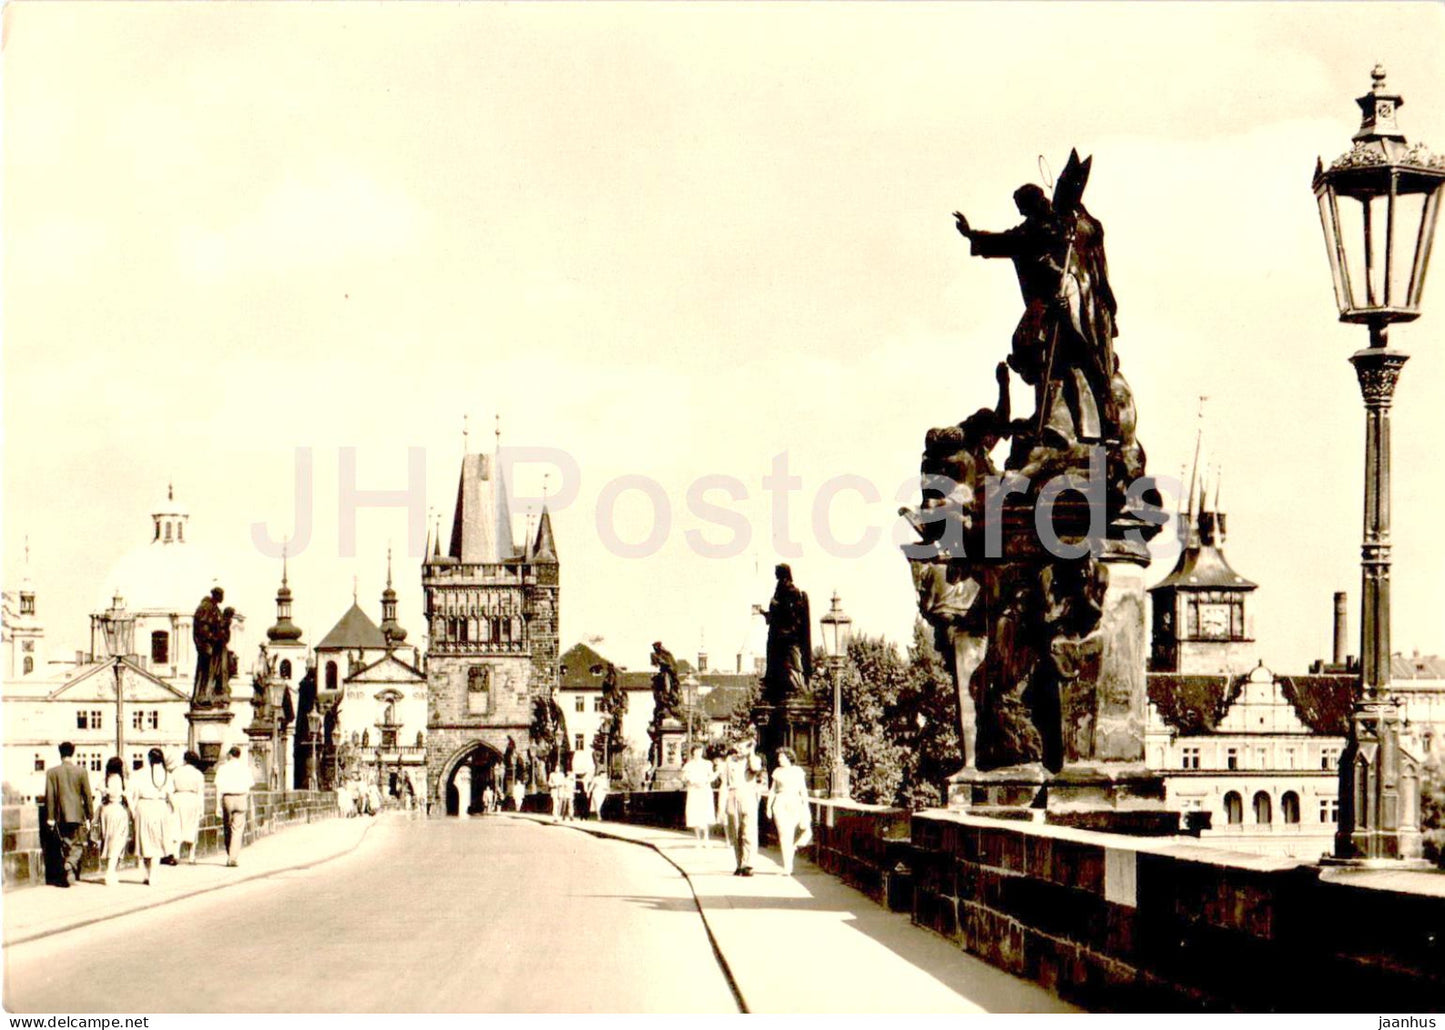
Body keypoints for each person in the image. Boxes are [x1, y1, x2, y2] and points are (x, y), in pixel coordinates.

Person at [44, 741, 94, 888]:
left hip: (60, 815)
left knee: (65, 844)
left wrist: (50, 817)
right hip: (77, 815)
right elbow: (87, 796)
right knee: (78, 844)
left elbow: (49, 796)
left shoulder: (52, 772)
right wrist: (90, 816)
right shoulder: (81, 771)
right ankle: (70, 864)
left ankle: (69, 872)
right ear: (73, 753)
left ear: (60, 753)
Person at [720, 736, 765, 876]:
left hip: (748, 795)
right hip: (733, 794)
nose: (738, 750)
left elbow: (755, 768)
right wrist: (720, 807)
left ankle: (748, 864)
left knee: (749, 830)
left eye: (742, 747)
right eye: (738, 747)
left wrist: (751, 752)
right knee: (735, 831)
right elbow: (724, 783)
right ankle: (739, 863)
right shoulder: (730, 761)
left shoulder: (754, 760)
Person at [129, 748, 173, 886]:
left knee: (145, 842)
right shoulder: (167, 775)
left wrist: (133, 811)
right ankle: (153, 874)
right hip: (160, 807)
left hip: (143, 807)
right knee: (157, 842)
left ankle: (147, 874)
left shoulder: (139, 774)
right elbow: (171, 796)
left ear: (149, 759)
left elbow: (130, 795)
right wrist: (172, 811)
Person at [766, 748, 812, 876]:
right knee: (784, 835)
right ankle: (787, 866)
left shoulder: (798, 771)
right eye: (779, 757)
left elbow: (803, 790)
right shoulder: (777, 772)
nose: (779, 759)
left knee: (800, 832)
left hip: (795, 802)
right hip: (780, 803)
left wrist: (806, 806)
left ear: (789, 758)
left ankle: (794, 848)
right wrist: (768, 807)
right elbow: (772, 790)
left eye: (782, 757)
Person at [214, 745, 253, 867]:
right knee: (237, 829)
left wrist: (217, 805)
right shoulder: (245, 768)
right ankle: (233, 857)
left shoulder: (223, 768)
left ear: (230, 755)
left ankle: (229, 853)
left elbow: (218, 787)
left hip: (227, 798)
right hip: (241, 797)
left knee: (227, 827)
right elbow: (249, 786)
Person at [97, 757, 130, 887]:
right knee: (118, 842)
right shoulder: (124, 782)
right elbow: (129, 800)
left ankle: (111, 871)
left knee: (108, 841)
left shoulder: (104, 781)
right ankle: (110, 872)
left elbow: (97, 801)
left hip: (106, 812)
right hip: (119, 811)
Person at [171, 751, 205, 864]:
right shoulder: (198, 774)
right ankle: (191, 856)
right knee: (192, 826)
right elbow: (200, 792)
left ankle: (176, 854)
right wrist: (201, 808)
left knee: (177, 825)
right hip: (192, 799)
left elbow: (171, 788)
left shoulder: (176, 771)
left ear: (185, 760)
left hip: (178, 798)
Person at [681, 745, 716, 847]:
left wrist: (705, 781)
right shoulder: (689, 765)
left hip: (704, 790)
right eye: (696, 751)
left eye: (700, 751)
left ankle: (706, 838)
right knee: (695, 813)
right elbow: (683, 777)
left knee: (705, 813)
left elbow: (711, 776)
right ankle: (698, 839)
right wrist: (691, 780)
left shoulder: (707, 764)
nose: (698, 753)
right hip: (694, 790)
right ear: (693, 752)